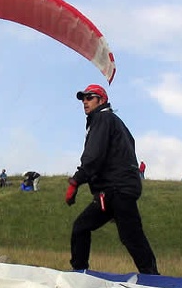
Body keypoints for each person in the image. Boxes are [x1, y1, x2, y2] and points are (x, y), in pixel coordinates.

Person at [65, 84, 159, 275]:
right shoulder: (116, 123)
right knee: (82, 227)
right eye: (83, 98)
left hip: (117, 189)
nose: (85, 101)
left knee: (131, 235)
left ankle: (153, 279)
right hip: (111, 191)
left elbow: (93, 155)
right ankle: (79, 273)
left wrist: (76, 181)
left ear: (102, 101)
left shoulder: (102, 118)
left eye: (90, 97)